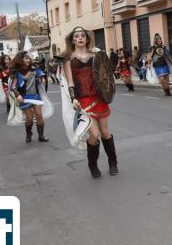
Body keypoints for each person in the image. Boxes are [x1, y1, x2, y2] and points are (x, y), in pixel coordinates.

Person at [63, 27, 118, 178]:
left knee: (105, 132)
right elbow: (70, 82)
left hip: (99, 98)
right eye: (76, 36)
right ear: (73, 40)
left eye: (82, 36)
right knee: (93, 134)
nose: (80, 38)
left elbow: (106, 75)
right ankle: (93, 165)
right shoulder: (69, 60)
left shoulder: (96, 56)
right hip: (84, 100)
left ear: (87, 39)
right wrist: (73, 98)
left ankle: (113, 162)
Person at [10, 52, 50, 143]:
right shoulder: (16, 72)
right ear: (20, 60)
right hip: (24, 97)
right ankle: (28, 134)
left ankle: (41, 136)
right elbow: (13, 86)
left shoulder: (33, 68)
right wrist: (18, 95)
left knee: (39, 115)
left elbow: (41, 73)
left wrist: (43, 78)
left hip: (35, 96)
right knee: (29, 118)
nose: (28, 60)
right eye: (26, 58)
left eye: (28, 58)